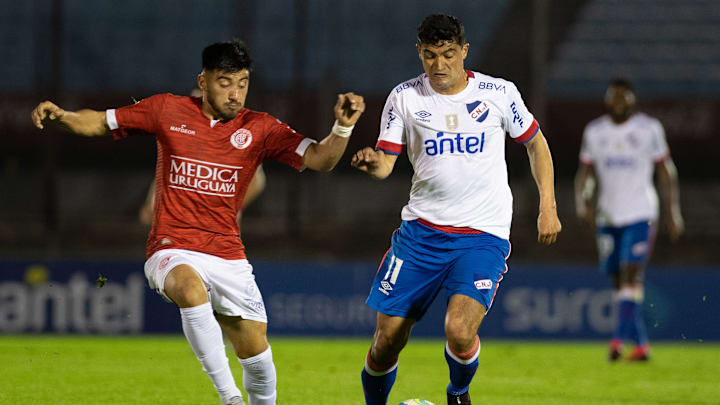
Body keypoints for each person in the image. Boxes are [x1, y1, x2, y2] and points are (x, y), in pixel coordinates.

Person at [31, 39, 365, 405]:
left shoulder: (260, 128)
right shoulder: (167, 110)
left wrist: (343, 128)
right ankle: (229, 398)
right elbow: (99, 122)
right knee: (192, 291)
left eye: (242, 83)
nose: (235, 93)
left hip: (228, 256)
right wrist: (62, 117)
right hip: (170, 248)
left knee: (258, 359)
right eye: (225, 82)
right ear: (203, 82)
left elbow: (319, 158)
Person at [351, 14, 561, 405]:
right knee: (386, 341)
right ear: (419, 52)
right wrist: (371, 162)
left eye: (448, 54)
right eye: (430, 55)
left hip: (482, 236)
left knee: (460, 330)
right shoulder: (405, 98)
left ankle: (458, 394)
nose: (439, 65)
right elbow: (385, 164)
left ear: (464, 51)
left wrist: (547, 206)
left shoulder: (498, 92)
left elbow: (536, 144)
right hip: (420, 235)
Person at [575, 78, 683, 362]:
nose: (620, 101)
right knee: (617, 280)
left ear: (633, 100)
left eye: (625, 97)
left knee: (630, 274)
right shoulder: (595, 131)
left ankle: (617, 341)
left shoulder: (649, 129)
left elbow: (665, 170)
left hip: (641, 213)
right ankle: (642, 345)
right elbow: (585, 172)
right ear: (607, 101)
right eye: (615, 97)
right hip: (608, 216)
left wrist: (673, 211)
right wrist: (582, 200)